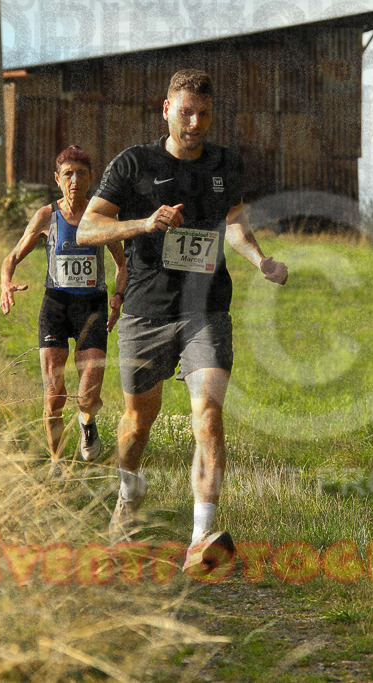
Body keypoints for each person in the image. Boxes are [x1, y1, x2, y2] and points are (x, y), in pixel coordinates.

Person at [77, 69, 288, 570]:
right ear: (166, 109)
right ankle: (128, 494)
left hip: (206, 308)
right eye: (186, 112)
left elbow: (233, 221)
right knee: (136, 424)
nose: (195, 123)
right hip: (148, 311)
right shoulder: (133, 165)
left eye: (205, 115)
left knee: (209, 417)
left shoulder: (225, 163)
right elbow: (87, 228)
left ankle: (200, 539)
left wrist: (260, 260)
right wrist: (144, 223)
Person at [0, 145, 127, 478]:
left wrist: (118, 297)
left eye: (81, 173)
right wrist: (5, 282)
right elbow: (11, 257)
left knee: (88, 393)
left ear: (90, 178)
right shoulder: (46, 216)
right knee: (54, 393)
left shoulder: (101, 217)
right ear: (57, 179)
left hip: (92, 305)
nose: (74, 180)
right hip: (56, 304)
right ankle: (57, 462)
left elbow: (121, 264)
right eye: (68, 173)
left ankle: (87, 422)